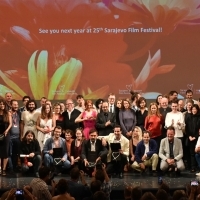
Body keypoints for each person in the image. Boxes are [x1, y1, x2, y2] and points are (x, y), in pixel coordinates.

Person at [185, 104, 200, 172]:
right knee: (191, 153)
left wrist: (195, 137)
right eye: (193, 109)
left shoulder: (199, 117)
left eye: (195, 109)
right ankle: (193, 167)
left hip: (197, 138)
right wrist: (189, 136)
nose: (194, 110)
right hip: (190, 138)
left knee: (197, 152)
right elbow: (186, 128)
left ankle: (198, 166)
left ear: (197, 110)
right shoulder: (188, 117)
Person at [0, 99, 12, 176]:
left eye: (3, 104)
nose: (2, 106)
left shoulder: (8, 113)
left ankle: (4, 169)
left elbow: (10, 124)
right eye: (0, 104)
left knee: (5, 152)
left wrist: (7, 131)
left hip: (6, 134)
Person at [10, 99, 21, 172]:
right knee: (9, 153)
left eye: (17, 104)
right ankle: (9, 168)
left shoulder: (19, 113)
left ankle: (14, 167)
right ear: (11, 105)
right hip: (9, 137)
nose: (16, 106)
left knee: (16, 153)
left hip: (17, 137)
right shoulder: (8, 113)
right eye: (14, 104)